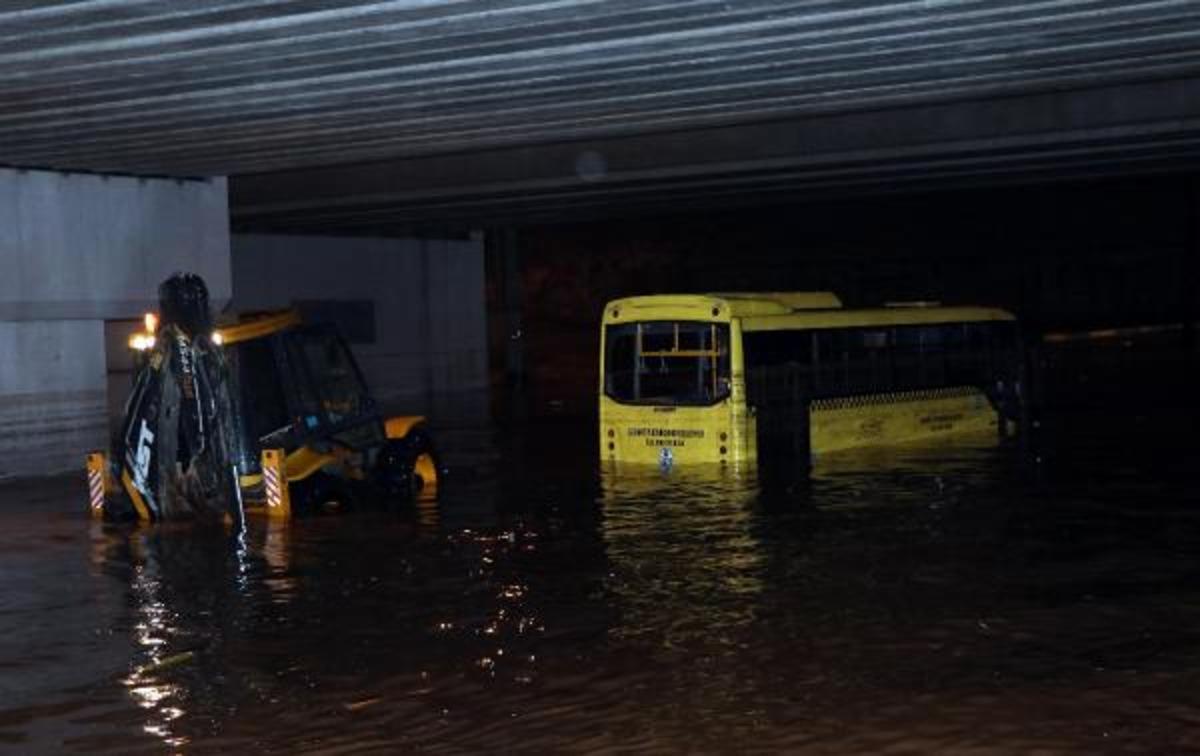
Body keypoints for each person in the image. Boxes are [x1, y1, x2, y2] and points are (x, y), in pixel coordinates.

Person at [109, 273, 242, 526]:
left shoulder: (180, 343)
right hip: (179, 449)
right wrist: (199, 451)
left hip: (176, 446)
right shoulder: (180, 344)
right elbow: (193, 400)